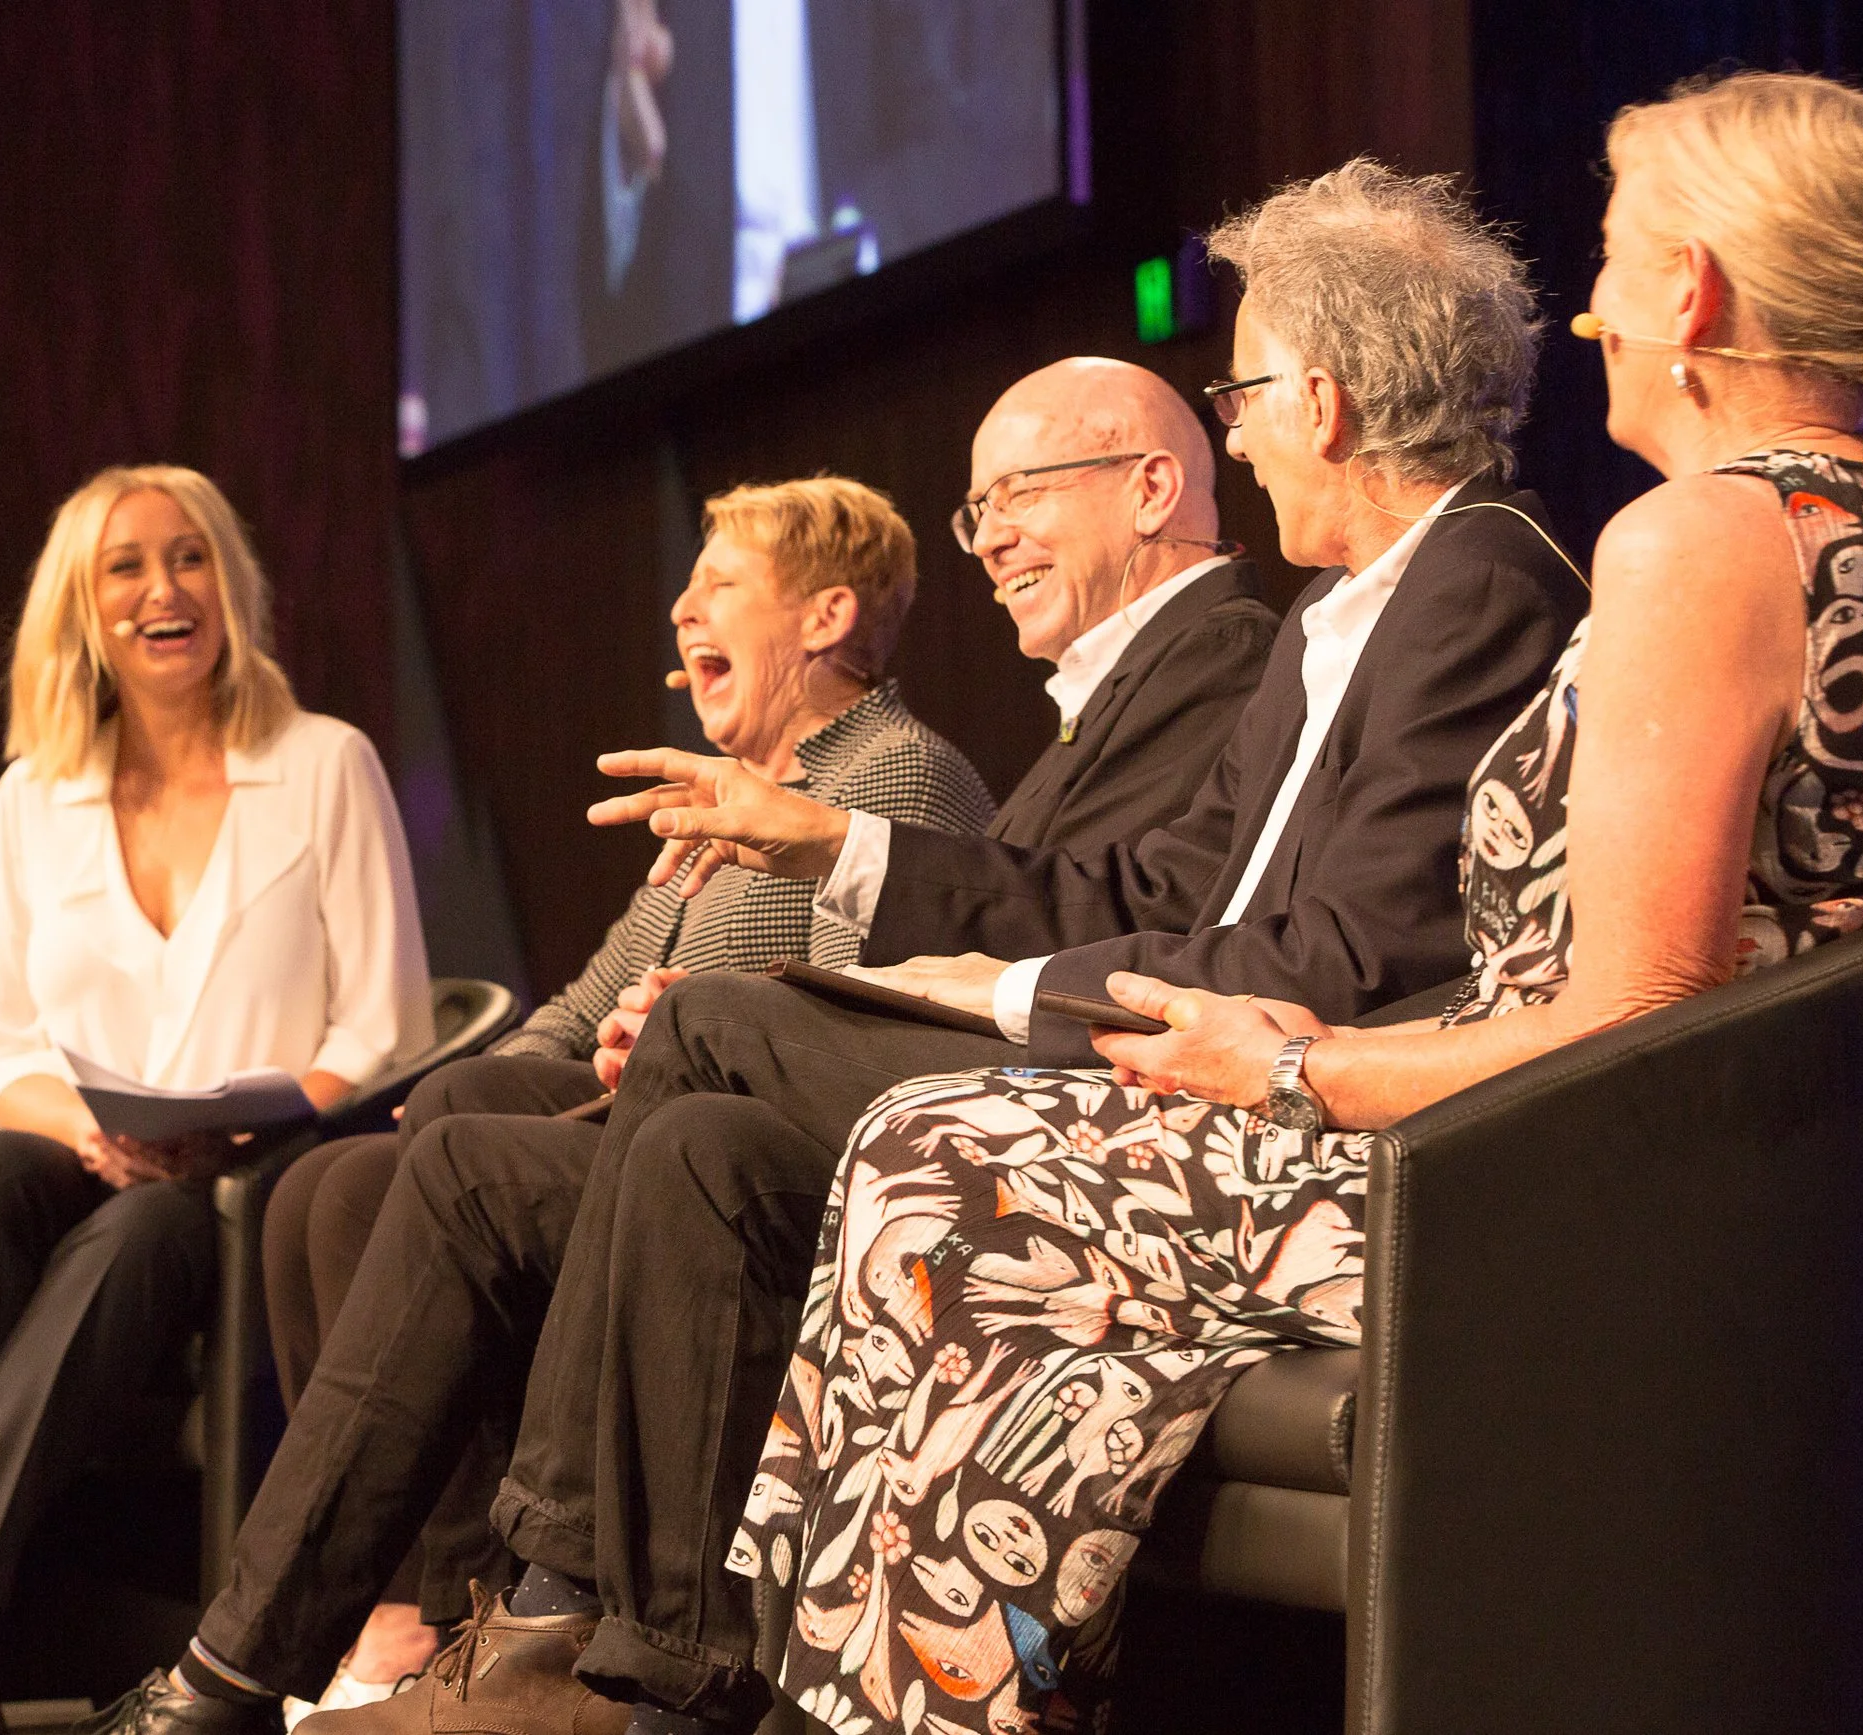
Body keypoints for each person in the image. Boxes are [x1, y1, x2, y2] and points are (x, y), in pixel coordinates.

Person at [732, 71, 1863, 1735]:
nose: (1586, 313)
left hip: (1598, 1216)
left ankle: (846, 1700)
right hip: (1763, 1213)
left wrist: (1291, 1071)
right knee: (1020, 1201)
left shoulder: (1701, 542)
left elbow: (1640, 1022)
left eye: (1616, 260)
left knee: (945, 1156)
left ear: (1692, 294)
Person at [316, 161, 1584, 1735]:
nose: (1237, 430)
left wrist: (969, 983)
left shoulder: (1474, 579)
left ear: (1319, 401)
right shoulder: (1345, 617)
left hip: (1289, 1119)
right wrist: (939, 973)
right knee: (695, 1127)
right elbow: (1188, 911)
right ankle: (646, 1664)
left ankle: (564, 1615)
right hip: (1184, 1064)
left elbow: (1333, 957)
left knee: (715, 1027)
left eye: (1243, 392)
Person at [85, 364, 1281, 1735]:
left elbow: (1120, 934)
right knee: (487, 1134)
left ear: (1150, 486)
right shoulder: (1105, 701)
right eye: (975, 510)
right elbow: (631, 985)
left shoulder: (1202, 663)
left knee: (649, 1079)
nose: (992, 534)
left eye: (1017, 493)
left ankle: (530, 1622)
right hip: (926, 1104)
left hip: (1038, 1144)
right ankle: (354, 1648)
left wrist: (797, 922)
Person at [243, 475, 998, 1717]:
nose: (680, 608)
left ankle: (509, 1619)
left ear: (822, 618)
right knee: (331, 1187)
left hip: (751, 1150)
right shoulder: (722, 790)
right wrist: (529, 1066)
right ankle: (444, 1610)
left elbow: (867, 1015)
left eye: (720, 587)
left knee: (441, 1145)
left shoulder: (895, 778)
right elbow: (594, 992)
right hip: (639, 1100)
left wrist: (649, 1046)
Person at [0, 467, 434, 1735]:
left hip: (237, 1179)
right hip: (80, 1146)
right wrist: (92, 1131)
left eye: (189, 559)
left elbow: (386, 1028)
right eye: (125, 566)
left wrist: (234, 1126)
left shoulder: (324, 763)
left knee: (146, 1228)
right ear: (83, 606)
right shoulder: (32, 796)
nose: (162, 589)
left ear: (229, 588)